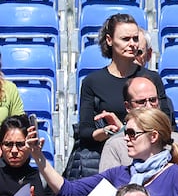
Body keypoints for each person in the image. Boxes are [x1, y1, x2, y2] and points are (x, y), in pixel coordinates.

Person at [42, 108, 178, 196]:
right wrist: (38, 155)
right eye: (125, 133)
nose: (126, 138)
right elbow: (69, 190)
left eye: (131, 133)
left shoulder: (176, 175)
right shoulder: (119, 174)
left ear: (153, 136)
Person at [68, 13, 172, 179]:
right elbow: (85, 130)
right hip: (109, 160)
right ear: (109, 40)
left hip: (150, 163)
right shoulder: (93, 82)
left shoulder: (152, 79)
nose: (132, 44)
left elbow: (167, 123)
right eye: (125, 39)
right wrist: (106, 132)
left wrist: (124, 129)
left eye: (135, 39)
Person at [96, 77, 178, 181]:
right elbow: (107, 188)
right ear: (128, 107)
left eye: (153, 100)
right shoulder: (116, 145)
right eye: (141, 102)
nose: (149, 106)